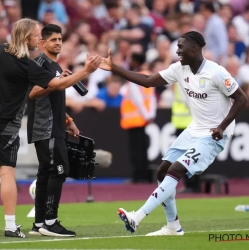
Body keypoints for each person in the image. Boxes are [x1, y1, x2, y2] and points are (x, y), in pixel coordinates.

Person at [0, 18, 101, 238]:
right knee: (6, 172)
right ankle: (11, 226)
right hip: (4, 123)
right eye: (37, 34)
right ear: (26, 37)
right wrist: (86, 70)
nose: (39, 38)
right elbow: (57, 85)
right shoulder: (26, 65)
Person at [99, 31, 248, 236]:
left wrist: (222, 127)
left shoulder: (217, 72)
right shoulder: (180, 69)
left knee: (176, 170)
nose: (177, 51)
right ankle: (173, 226)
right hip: (194, 129)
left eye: (180, 47)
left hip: (213, 135)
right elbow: (148, 80)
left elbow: (242, 99)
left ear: (194, 49)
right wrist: (114, 67)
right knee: (162, 171)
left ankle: (137, 217)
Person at [27, 24, 80, 237]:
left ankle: (39, 223)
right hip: (46, 128)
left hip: (56, 126)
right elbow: (32, 93)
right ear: (42, 43)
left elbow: (55, 97)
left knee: (45, 173)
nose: (58, 42)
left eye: (60, 39)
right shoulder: (38, 64)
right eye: (53, 39)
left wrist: (68, 120)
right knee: (59, 171)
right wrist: (58, 82)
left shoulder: (55, 66)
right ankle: (50, 222)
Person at [120, 53, 156, 183]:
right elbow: (151, 97)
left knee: (136, 150)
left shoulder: (134, 77)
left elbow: (137, 99)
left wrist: (146, 115)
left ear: (136, 62)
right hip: (143, 118)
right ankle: (143, 175)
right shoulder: (149, 75)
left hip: (135, 119)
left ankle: (138, 176)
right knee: (142, 148)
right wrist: (150, 115)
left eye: (131, 59)